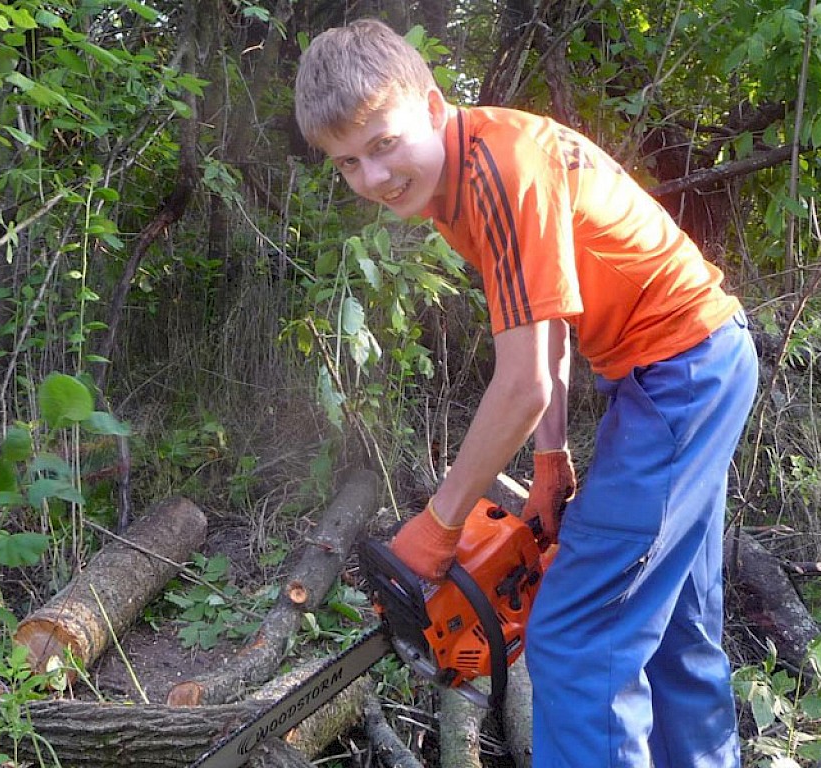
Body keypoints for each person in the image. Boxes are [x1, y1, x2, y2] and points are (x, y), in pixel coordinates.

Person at [294, 18, 758, 768]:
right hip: (682, 369)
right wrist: (549, 460)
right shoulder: (462, 178)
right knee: (676, 622)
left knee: (576, 634)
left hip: (682, 375)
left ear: (434, 105)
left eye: (383, 144)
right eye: (349, 162)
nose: (374, 177)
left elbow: (521, 385)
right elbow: (548, 325)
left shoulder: (502, 171)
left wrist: (441, 524)